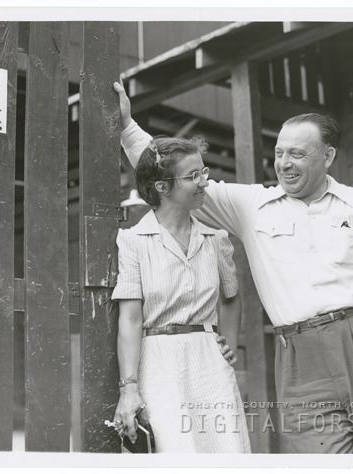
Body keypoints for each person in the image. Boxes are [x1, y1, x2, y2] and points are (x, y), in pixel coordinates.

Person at [113, 82, 353, 454]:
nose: (284, 163)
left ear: (327, 156)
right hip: (299, 356)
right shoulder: (253, 206)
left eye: (298, 154)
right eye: (280, 152)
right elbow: (167, 172)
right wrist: (126, 127)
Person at [110, 135, 251, 453]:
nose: (205, 182)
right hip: (159, 362)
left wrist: (227, 346)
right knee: (176, 451)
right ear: (162, 187)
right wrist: (129, 389)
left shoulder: (216, 238)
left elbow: (231, 297)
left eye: (204, 172)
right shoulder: (133, 241)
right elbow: (130, 320)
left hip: (209, 361)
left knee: (227, 452)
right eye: (193, 176)